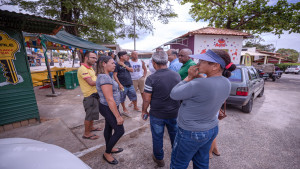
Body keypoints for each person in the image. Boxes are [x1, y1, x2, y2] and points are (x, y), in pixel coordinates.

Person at [170, 49, 236, 169]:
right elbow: (208, 86)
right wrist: (199, 77)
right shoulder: (226, 82)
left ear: (215, 66)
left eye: (201, 61)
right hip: (211, 128)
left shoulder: (198, 84)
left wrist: (188, 78)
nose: (197, 64)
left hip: (190, 131)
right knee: (201, 162)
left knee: (178, 164)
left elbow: (174, 94)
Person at [142, 51, 181, 167]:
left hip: (157, 114)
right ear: (166, 61)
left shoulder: (151, 78)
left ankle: (159, 159)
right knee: (175, 136)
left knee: (157, 137)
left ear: (154, 63)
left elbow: (146, 99)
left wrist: (144, 111)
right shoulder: (176, 75)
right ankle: (177, 156)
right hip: (174, 113)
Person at [96, 55, 125, 165]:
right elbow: (109, 98)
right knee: (120, 130)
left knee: (109, 127)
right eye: (112, 63)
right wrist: (118, 116)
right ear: (104, 63)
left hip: (109, 107)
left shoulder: (107, 76)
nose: (115, 65)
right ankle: (107, 153)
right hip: (108, 107)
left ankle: (110, 147)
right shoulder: (104, 77)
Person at [77, 51, 103, 140]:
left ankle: (91, 128)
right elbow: (91, 82)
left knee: (92, 114)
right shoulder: (83, 69)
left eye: (95, 58)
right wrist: (103, 82)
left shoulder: (90, 68)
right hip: (89, 96)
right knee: (89, 115)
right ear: (86, 58)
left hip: (94, 95)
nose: (95, 60)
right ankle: (86, 133)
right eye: (92, 58)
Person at [113, 51, 139, 117]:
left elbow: (131, 70)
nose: (127, 56)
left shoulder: (127, 62)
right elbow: (115, 75)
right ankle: (124, 108)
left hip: (130, 83)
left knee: (134, 96)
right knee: (122, 98)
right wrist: (119, 84)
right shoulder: (116, 64)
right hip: (122, 85)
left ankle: (135, 107)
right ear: (121, 57)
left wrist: (124, 65)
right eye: (125, 55)